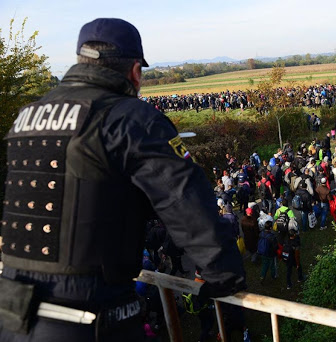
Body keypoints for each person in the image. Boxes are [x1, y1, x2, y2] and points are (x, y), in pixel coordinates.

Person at [0, 18, 245, 342]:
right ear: (134, 71)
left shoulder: (25, 117)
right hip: (88, 316)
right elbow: (183, 199)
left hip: (12, 313)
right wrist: (223, 274)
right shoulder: (130, 117)